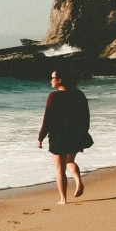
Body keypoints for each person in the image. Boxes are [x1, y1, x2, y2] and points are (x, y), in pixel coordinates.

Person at [37, 68, 92, 204]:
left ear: (60, 79)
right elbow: (86, 116)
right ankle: (78, 180)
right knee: (69, 161)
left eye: (53, 78)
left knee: (60, 169)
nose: (51, 80)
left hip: (58, 136)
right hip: (75, 134)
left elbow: (47, 119)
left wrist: (41, 137)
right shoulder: (79, 94)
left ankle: (63, 199)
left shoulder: (53, 96)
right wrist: (83, 132)